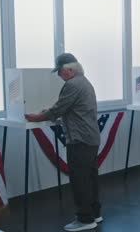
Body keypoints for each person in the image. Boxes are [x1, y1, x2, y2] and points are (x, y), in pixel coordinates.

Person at [25, 53, 102, 232]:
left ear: (69, 70)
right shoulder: (84, 81)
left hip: (79, 139)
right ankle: (95, 213)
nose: (59, 76)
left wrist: (38, 117)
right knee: (90, 178)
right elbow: (67, 108)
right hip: (90, 137)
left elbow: (60, 108)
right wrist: (50, 112)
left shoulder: (73, 84)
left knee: (79, 179)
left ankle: (85, 219)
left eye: (60, 72)